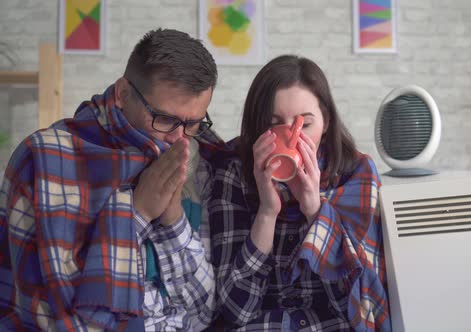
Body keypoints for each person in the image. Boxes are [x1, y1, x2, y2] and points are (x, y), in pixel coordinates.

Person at [0, 28, 217, 331]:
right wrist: (137, 213)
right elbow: (54, 318)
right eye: (165, 119)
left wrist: (174, 218)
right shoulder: (43, 160)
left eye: (193, 124)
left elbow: (202, 314)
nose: (178, 140)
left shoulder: (197, 165)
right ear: (123, 94)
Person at [198, 55, 391, 331]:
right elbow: (236, 310)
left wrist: (315, 210)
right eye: (274, 124)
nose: (290, 139)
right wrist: (267, 212)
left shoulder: (355, 174)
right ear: (256, 128)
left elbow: (363, 309)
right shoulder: (234, 172)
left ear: (326, 125)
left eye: (304, 125)